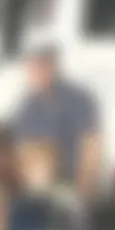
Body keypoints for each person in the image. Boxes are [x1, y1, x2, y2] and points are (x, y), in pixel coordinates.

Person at [15, 45, 100, 201]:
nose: (36, 73)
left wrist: (84, 193)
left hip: (72, 184)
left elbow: (91, 148)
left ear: (53, 66)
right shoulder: (28, 105)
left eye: (42, 66)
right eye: (32, 67)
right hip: (38, 186)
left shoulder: (78, 100)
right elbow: (23, 150)